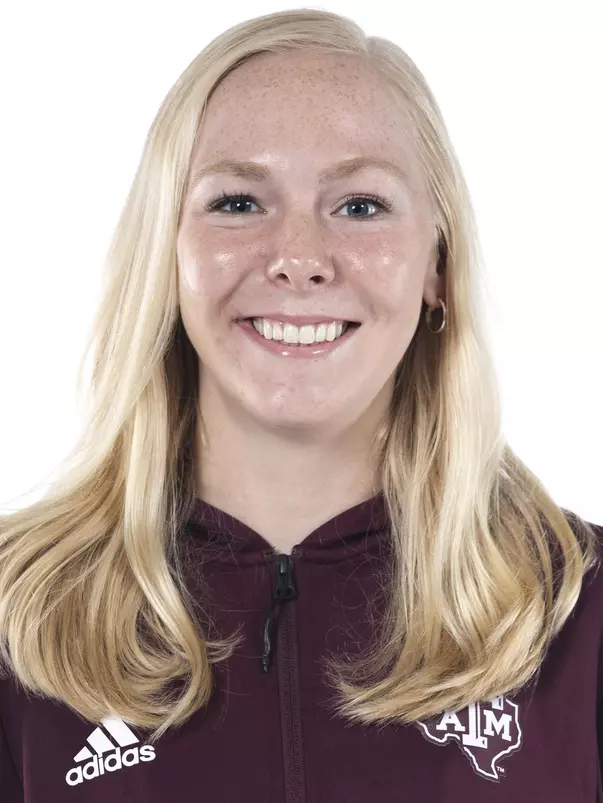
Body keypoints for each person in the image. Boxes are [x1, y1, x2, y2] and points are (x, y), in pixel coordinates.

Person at [0, 8, 601, 802]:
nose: (297, 259)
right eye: (238, 202)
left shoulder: (580, 615)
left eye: (359, 205)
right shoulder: (18, 616)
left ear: (436, 264)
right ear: (166, 250)